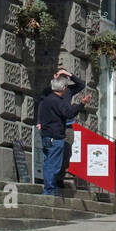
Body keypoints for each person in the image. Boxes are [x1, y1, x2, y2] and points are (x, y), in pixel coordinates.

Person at [36, 69, 90, 197]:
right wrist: (81, 104)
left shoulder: (58, 95)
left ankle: (52, 185)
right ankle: (49, 189)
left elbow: (81, 84)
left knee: (56, 159)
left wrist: (68, 74)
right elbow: (69, 113)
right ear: (63, 87)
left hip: (51, 132)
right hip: (56, 133)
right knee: (53, 163)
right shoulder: (54, 97)